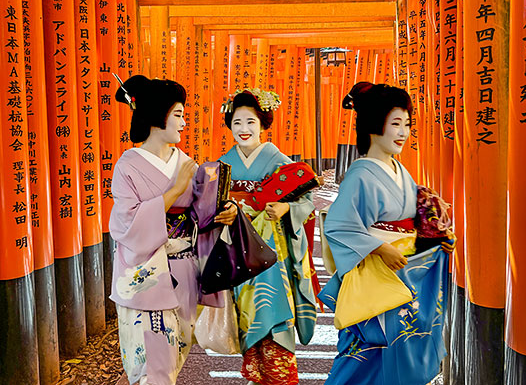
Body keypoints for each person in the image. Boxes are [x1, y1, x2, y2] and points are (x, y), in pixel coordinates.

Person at [319, 82, 451, 385]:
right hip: (375, 276)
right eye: (395, 124)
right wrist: (380, 248)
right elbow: (339, 225)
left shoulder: (399, 170)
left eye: (406, 124)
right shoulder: (361, 174)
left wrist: (433, 239)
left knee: (397, 353)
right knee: (366, 354)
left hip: (401, 274)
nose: (403, 132)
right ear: (373, 127)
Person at [110, 75, 237, 385]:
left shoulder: (187, 163)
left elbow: (202, 215)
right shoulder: (128, 166)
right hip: (147, 275)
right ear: (157, 116)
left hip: (185, 272)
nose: (184, 122)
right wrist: (174, 191)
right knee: (155, 370)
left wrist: (227, 211)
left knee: (174, 360)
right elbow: (126, 223)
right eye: (178, 114)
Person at [218, 89, 317, 385]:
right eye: (237, 122)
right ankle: (257, 375)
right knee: (246, 315)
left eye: (250, 121)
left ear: (263, 124)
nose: (244, 129)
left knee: (274, 312)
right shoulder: (223, 163)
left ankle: (279, 377)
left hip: (274, 250)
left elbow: (308, 202)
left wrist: (287, 206)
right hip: (237, 246)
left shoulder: (280, 161)